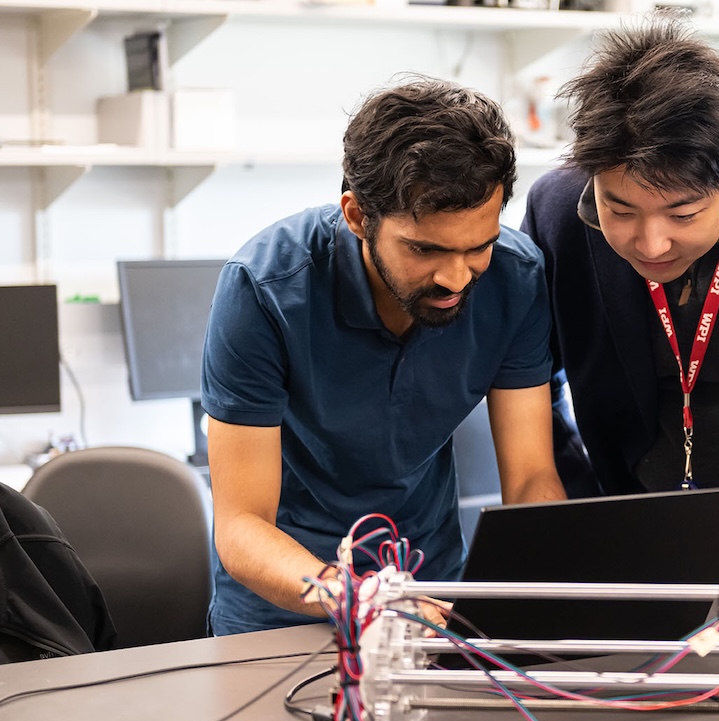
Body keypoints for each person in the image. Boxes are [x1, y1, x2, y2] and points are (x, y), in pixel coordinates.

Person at [201, 78, 566, 635]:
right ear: (356, 215)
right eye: (425, 249)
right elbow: (240, 526)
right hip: (283, 604)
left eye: (479, 246)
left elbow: (531, 476)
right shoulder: (264, 289)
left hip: (431, 592)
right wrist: (361, 598)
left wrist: (552, 583)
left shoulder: (515, 278)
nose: (456, 278)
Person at [521, 18, 719, 579]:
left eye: (683, 214)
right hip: (643, 546)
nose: (651, 244)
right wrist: (583, 512)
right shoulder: (558, 213)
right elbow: (525, 378)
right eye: (620, 210)